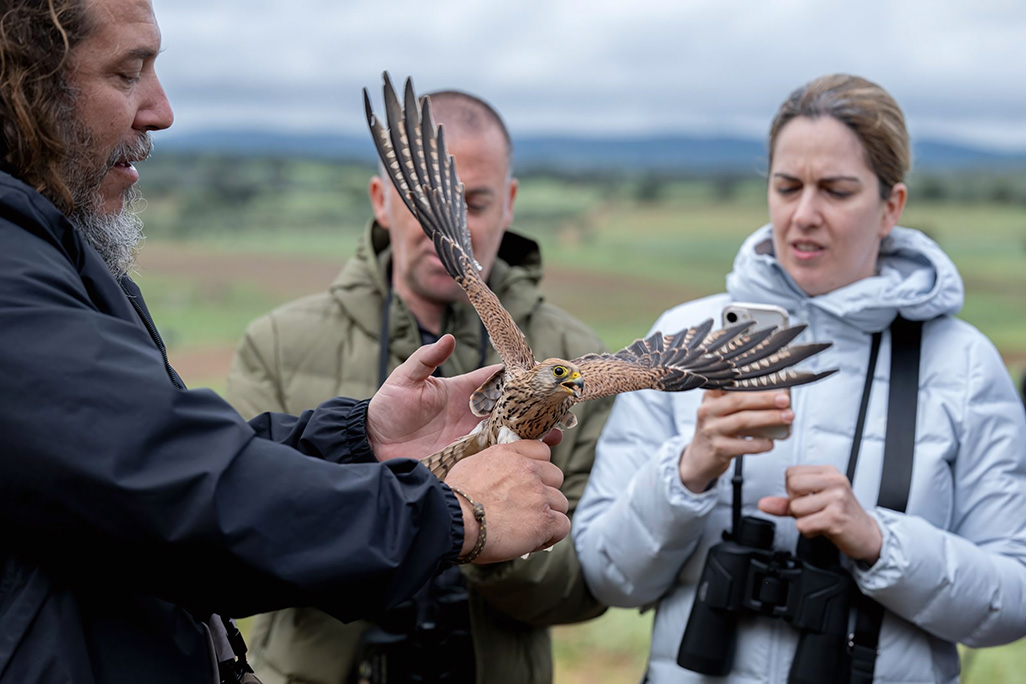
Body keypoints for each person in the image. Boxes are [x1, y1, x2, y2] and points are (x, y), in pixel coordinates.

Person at [0, 1, 572, 682]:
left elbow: (156, 486)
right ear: (23, 85)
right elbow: (188, 496)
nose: (161, 110)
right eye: (129, 73)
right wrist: (458, 516)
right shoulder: (12, 275)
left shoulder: (47, 252)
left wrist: (363, 441)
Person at [573, 74, 1026, 683]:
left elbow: (1013, 599)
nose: (804, 215)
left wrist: (877, 540)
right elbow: (608, 576)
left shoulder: (962, 365)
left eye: (836, 191)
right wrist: (688, 470)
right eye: (787, 187)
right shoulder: (681, 341)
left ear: (891, 206)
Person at [226, 89, 612, 684]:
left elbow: (584, 586)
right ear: (382, 201)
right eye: (430, 205)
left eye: (475, 203)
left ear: (509, 204)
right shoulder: (277, 343)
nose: (451, 229)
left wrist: (500, 535)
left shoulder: (573, 364)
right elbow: (237, 544)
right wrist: (451, 515)